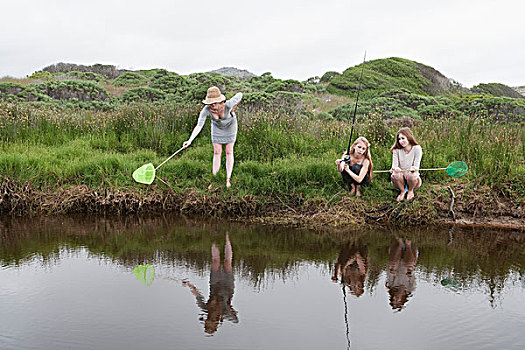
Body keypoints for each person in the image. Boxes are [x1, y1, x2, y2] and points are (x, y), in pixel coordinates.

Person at [183, 86, 242, 188]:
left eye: (214, 103)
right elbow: (199, 125)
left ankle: (228, 179)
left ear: (220, 102)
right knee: (217, 152)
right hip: (217, 128)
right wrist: (190, 140)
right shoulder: (206, 110)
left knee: (229, 151)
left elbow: (240, 95)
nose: (212, 105)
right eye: (210, 103)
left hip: (230, 126)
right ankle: (215, 180)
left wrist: (233, 108)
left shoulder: (228, 104)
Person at [183, 233, 238, 335]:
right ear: (216, 323)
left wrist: (188, 285)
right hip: (227, 286)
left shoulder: (205, 308)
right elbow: (235, 320)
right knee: (227, 262)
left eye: (208, 321)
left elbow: (197, 295)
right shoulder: (224, 313)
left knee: (216, 261)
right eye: (212, 322)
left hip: (215, 284)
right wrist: (229, 311)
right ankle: (227, 237)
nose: (211, 319)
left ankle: (214, 236)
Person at [385, 238, 418, 311]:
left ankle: (400, 243)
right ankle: (408, 244)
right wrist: (410, 273)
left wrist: (392, 271)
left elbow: (389, 272)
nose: (395, 298)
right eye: (397, 301)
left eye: (393, 300)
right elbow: (412, 274)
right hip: (410, 256)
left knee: (392, 265)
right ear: (402, 299)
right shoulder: (410, 288)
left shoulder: (391, 285)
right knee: (409, 265)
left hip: (395, 256)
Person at [390, 127, 423, 201]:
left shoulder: (417, 148)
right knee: (394, 175)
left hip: (413, 179)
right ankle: (402, 191)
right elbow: (394, 166)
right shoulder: (396, 150)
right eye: (399, 139)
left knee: (412, 175)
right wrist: (396, 169)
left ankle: (410, 191)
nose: (401, 141)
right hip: (400, 179)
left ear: (408, 137)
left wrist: (413, 168)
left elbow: (416, 166)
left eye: (403, 138)